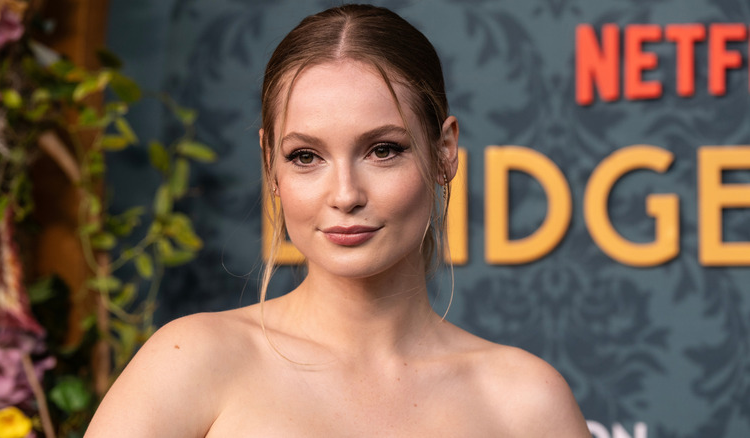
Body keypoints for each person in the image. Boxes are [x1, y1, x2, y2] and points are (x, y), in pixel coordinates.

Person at [86, 4, 591, 437]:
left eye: (383, 150)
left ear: (444, 152)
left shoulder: (527, 403)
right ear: (270, 164)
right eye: (306, 156)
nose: (345, 195)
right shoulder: (191, 361)